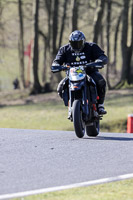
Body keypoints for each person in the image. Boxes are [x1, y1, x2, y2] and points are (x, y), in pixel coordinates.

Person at [52, 30, 108, 115]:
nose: (76, 46)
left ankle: (100, 105)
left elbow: (103, 56)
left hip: (90, 73)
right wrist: (56, 65)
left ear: (83, 41)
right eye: (74, 43)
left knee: (101, 81)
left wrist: (99, 60)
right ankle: (70, 106)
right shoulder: (64, 49)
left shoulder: (92, 47)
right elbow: (57, 61)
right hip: (72, 75)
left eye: (79, 43)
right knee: (60, 88)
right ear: (70, 42)